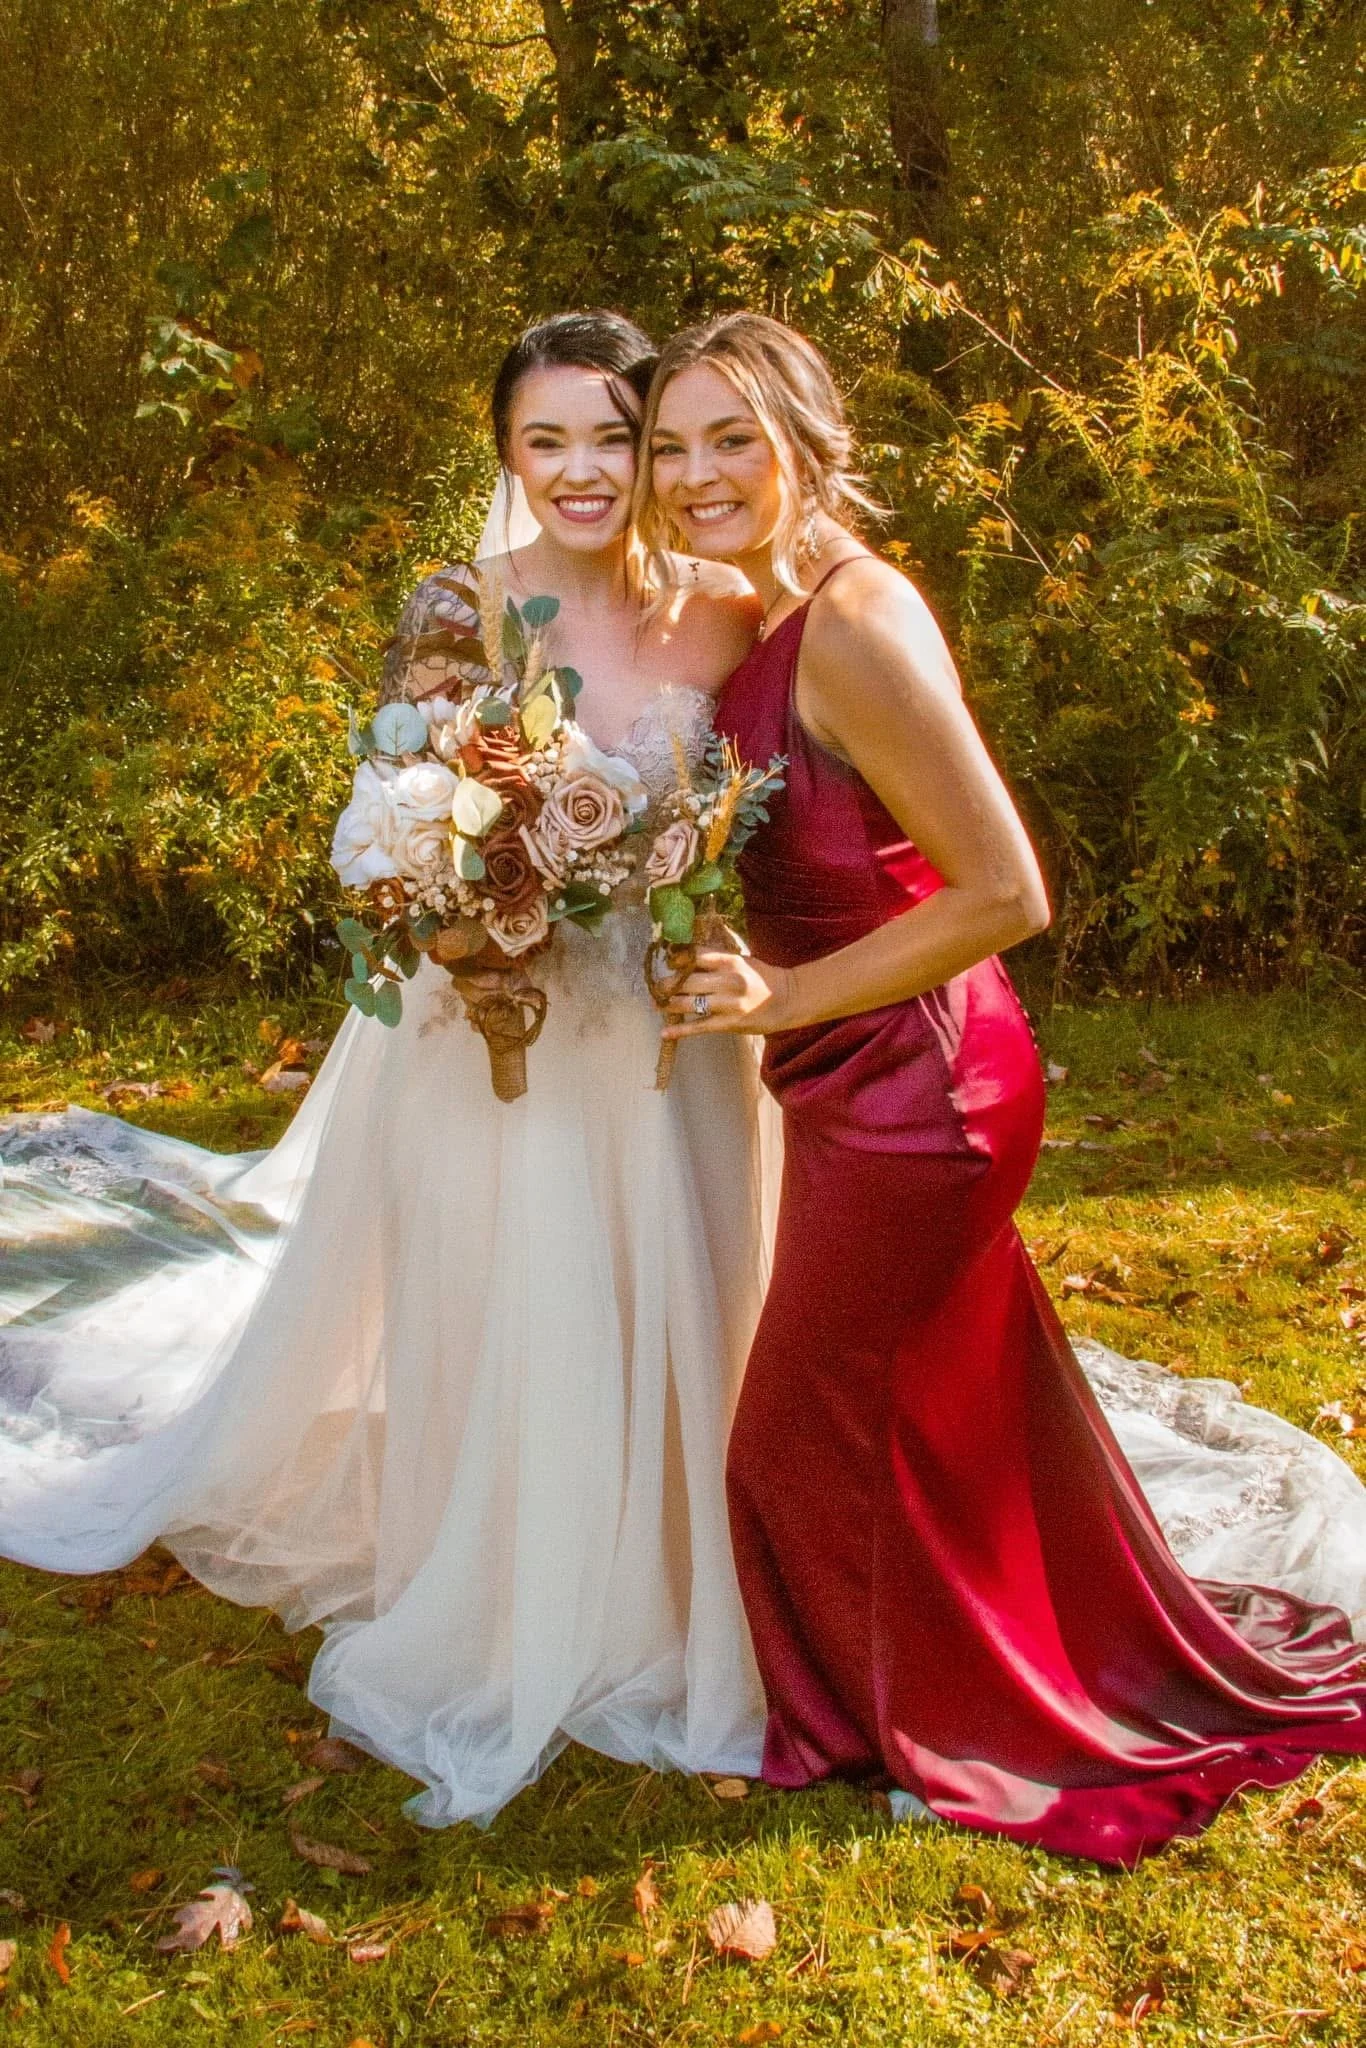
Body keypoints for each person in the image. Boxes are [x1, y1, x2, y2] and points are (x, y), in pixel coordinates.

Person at [0, 311, 770, 1826]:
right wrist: (472, 906)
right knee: (532, 1294)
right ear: (504, 457)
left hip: (676, 1028)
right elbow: (417, 818)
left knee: (674, 1291)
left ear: (651, 443)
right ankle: (520, 1579)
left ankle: (685, 1572)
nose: (582, 471)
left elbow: (769, 804)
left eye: (610, 436)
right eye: (543, 441)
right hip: (503, 1031)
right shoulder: (462, 607)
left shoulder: (731, 608)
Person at [637, 310, 1366, 1864]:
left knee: (790, 1434)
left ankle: (914, 1721)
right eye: (669, 444)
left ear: (803, 443)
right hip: (864, 1069)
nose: (693, 474)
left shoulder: (851, 623)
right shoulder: (766, 603)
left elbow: (1004, 892)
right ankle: (1008, 1653)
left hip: (923, 1087)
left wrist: (779, 999)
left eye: (728, 439)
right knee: (946, 1411)